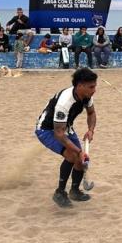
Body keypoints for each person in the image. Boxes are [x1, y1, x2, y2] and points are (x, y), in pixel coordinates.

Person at [35, 68, 98, 207]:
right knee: (72, 155)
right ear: (80, 86)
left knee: (80, 161)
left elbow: (91, 113)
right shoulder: (64, 102)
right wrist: (79, 152)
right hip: (47, 130)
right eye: (91, 87)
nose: (94, 90)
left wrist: (90, 130)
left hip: (65, 127)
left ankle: (74, 191)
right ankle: (59, 192)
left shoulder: (86, 96)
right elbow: (58, 134)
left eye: (95, 86)